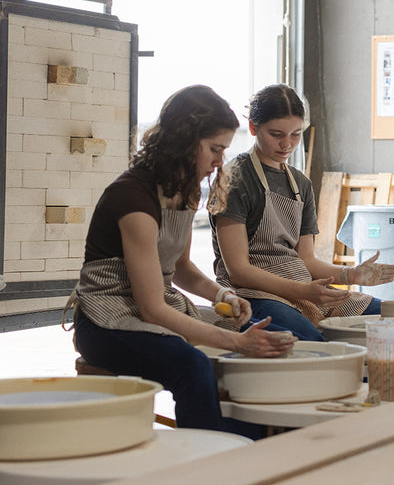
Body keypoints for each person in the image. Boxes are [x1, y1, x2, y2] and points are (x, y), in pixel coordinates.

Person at [68, 85, 296, 432]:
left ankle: (254, 445)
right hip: (106, 320)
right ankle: (206, 463)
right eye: (214, 149)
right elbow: (151, 310)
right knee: (192, 365)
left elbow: (180, 268)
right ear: (185, 140)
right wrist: (236, 341)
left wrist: (223, 297)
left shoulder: (183, 190)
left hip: (156, 305)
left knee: (280, 339)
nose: (220, 160)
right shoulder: (132, 199)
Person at [211, 84, 394, 342]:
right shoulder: (235, 179)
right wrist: (303, 290)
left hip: (304, 290)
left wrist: (350, 275)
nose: (286, 144)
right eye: (276, 134)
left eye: (296, 134)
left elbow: (307, 261)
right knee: (315, 343)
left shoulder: (300, 184)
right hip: (254, 294)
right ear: (254, 128)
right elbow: (239, 271)